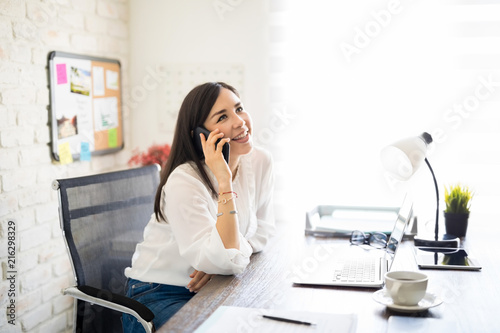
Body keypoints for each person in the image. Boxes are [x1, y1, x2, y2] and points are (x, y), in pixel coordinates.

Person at [122, 82, 275, 332]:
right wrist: (224, 181)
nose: (239, 121)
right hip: (159, 293)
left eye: (239, 108)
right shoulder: (185, 179)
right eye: (223, 116)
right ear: (201, 134)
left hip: (218, 284)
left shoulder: (260, 161)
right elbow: (223, 259)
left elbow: (264, 232)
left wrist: (225, 258)